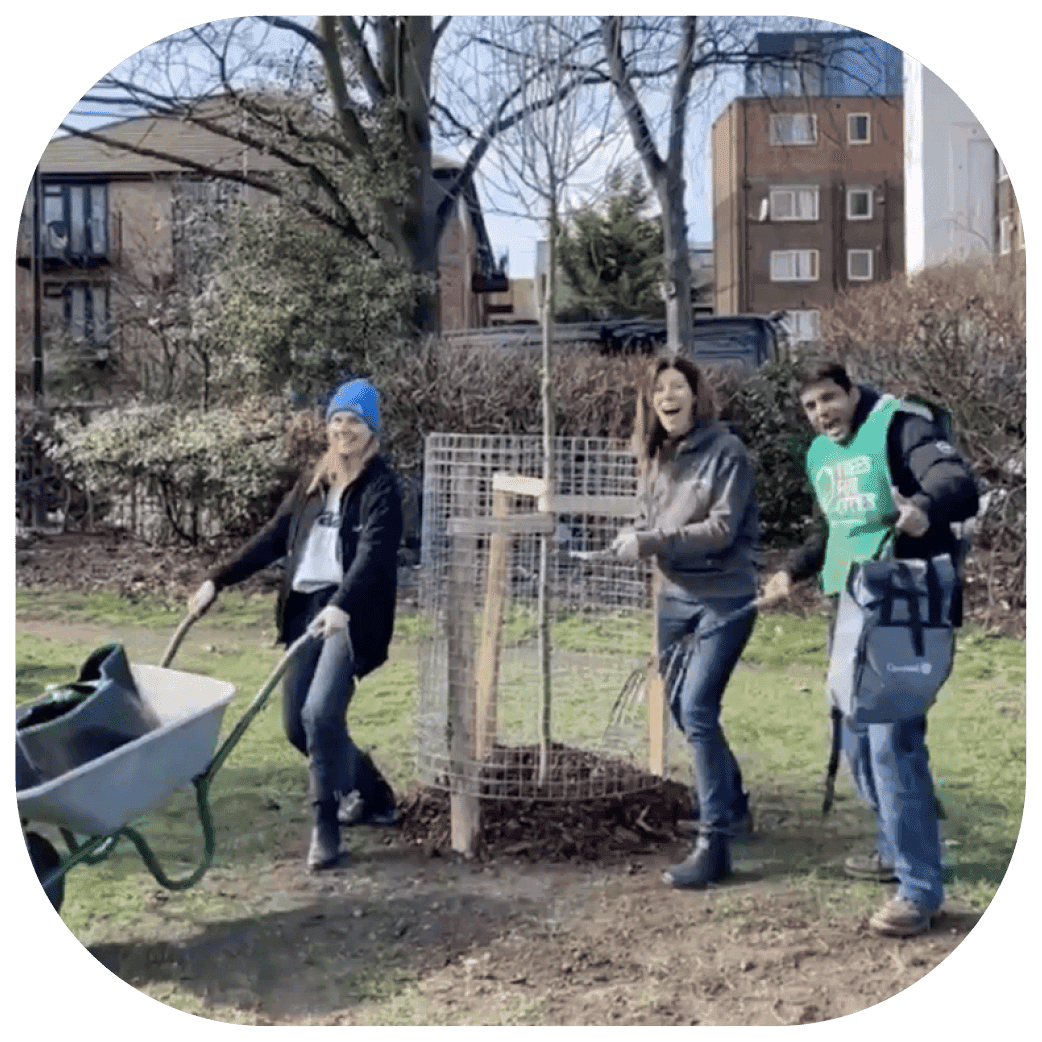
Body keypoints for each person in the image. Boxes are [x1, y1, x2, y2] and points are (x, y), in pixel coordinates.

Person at [760, 360, 978, 937]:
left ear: (851, 392)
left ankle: (920, 890)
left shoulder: (901, 427)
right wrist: (791, 572)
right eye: (810, 406)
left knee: (892, 744)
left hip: (904, 607)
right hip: (851, 607)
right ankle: (894, 843)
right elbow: (836, 527)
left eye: (829, 398)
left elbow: (957, 483)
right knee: (855, 740)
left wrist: (922, 508)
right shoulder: (822, 456)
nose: (821, 413)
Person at [189, 378, 403, 871]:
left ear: (371, 430)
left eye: (354, 421)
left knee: (320, 713)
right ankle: (369, 791)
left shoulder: (382, 489)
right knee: (295, 727)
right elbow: (273, 538)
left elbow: (373, 557)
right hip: (306, 607)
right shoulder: (314, 484)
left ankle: (325, 830)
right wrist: (217, 580)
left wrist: (343, 605)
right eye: (336, 420)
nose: (343, 429)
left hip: (350, 611)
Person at [611, 355, 760, 889]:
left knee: (698, 707)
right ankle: (735, 803)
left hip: (726, 596)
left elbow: (721, 529)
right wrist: (633, 535)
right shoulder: (653, 456)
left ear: (696, 396)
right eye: (659, 391)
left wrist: (651, 542)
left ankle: (714, 843)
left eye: (678, 387)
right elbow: (649, 518)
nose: (668, 397)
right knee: (680, 706)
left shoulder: (728, 453)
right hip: (674, 597)